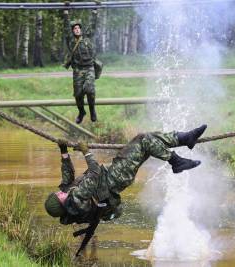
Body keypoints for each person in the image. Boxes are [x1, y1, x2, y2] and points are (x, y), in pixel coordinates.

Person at [44, 125, 207, 228]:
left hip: (114, 173)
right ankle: (177, 161)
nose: (58, 192)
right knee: (144, 141)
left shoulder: (68, 195)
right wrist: (86, 151)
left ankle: (185, 138)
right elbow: (93, 172)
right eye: (58, 196)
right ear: (62, 203)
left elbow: (67, 178)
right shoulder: (77, 198)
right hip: (116, 177)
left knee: (144, 138)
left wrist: (63, 151)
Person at [63, 4, 99, 124]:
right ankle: (81, 112)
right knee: (78, 94)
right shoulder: (71, 40)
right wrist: (66, 13)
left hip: (89, 68)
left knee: (89, 89)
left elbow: (93, 25)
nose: (77, 30)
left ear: (81, 29)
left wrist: (94, 11)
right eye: (74, 29)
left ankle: (92, 110)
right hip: (77, 70)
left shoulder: (87, 37)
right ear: (73, 31)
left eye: (78, 28)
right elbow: (66, 27)